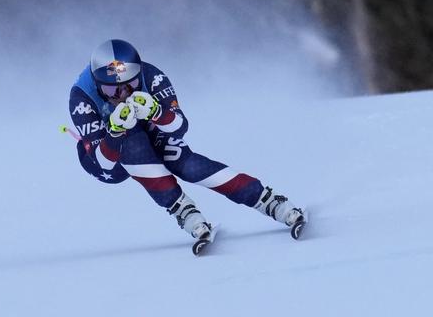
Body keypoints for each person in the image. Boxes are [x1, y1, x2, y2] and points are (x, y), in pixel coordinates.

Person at [68, 39, 304, 241]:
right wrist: (116, 130)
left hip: (147, 127)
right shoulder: (82, 97)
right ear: (97, 85)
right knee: (132, 148)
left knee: (183, 162)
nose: (122, 97)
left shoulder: (152, 76)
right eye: (111, 91)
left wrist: (156, 112)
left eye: (130, 87)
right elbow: (105, 165)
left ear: (139, 75)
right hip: (108, 156)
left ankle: (266, 199)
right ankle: (181, 208)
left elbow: (180, 127)